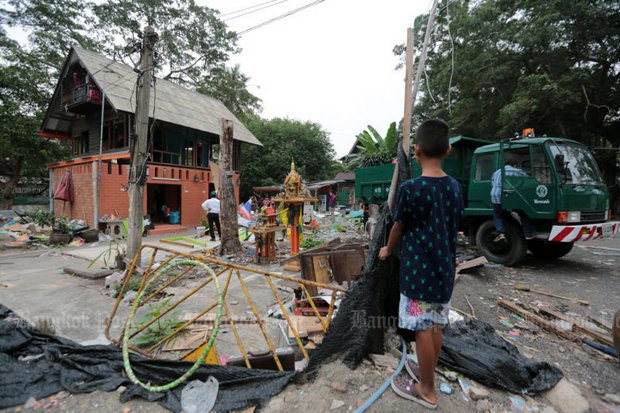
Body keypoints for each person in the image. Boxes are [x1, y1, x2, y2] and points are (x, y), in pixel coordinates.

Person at [379, 119, 464, 410]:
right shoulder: (454, 187)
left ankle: (426, 389)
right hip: (444, 271)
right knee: (436, 325)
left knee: (422, 329)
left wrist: (387, 249)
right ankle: (427, 371)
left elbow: (398, 227)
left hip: (419, 273)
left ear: (416, 150)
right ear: (448, 149)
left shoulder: (412, 189)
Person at [491, 158, 536, 242]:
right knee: (522, 213)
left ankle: (500, 233)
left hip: (495, 195)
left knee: (498, 215)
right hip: (511, 196)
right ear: (514, 165)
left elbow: (492, 183)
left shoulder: (497, 172)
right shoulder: (518, 171)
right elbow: (529, 182)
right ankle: (528, 233)